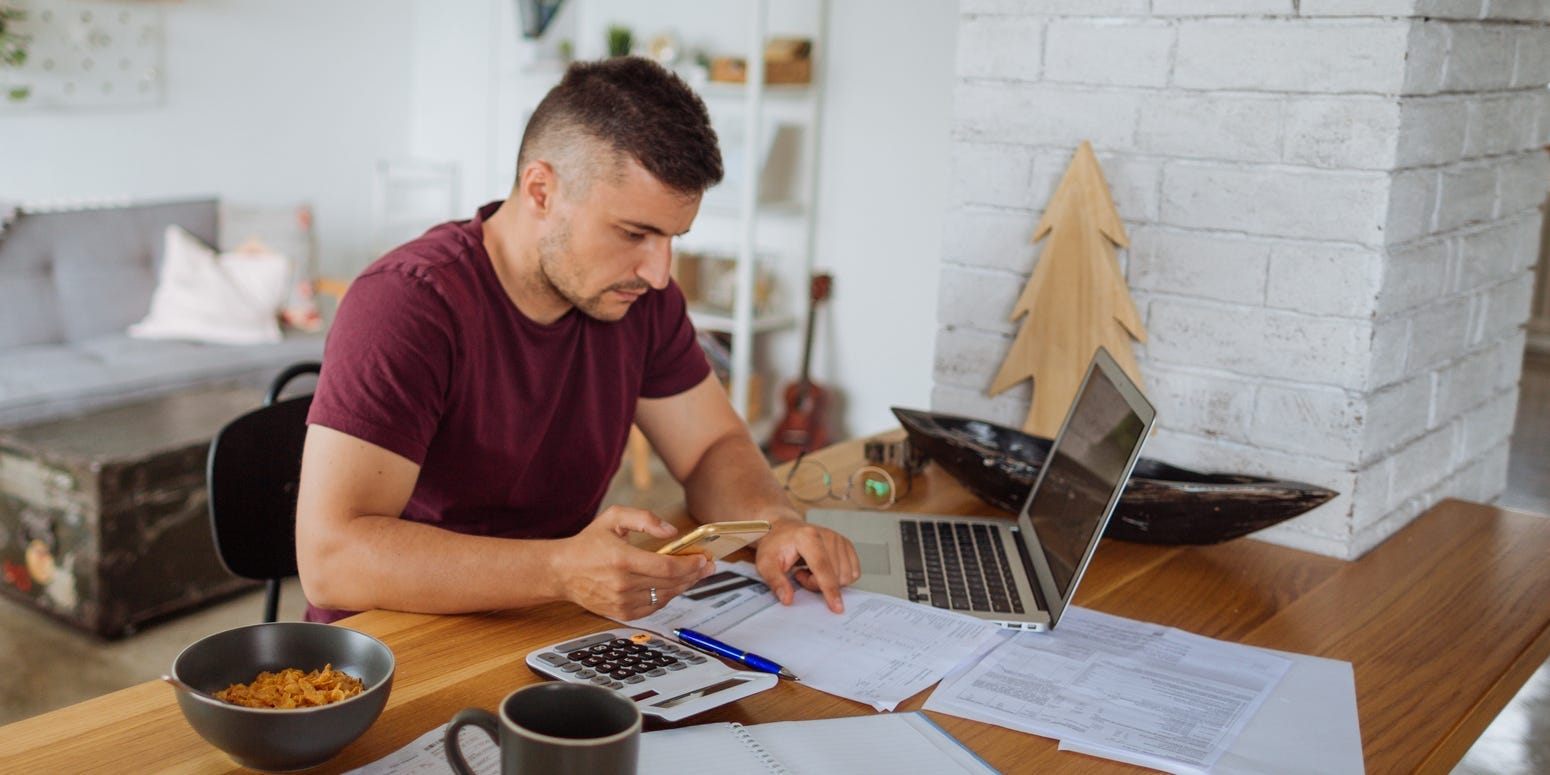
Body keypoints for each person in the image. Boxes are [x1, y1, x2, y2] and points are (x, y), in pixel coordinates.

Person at [294, 57, 859, 625]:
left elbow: (713, 447)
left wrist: (774, 521)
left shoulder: (641, 299)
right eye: (634, 233)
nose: (660, 273)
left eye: (672, 238)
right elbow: (332, 558)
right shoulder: (408, 305)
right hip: (399, 645)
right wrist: (561, 569)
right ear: (541, 190)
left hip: (551, 620)